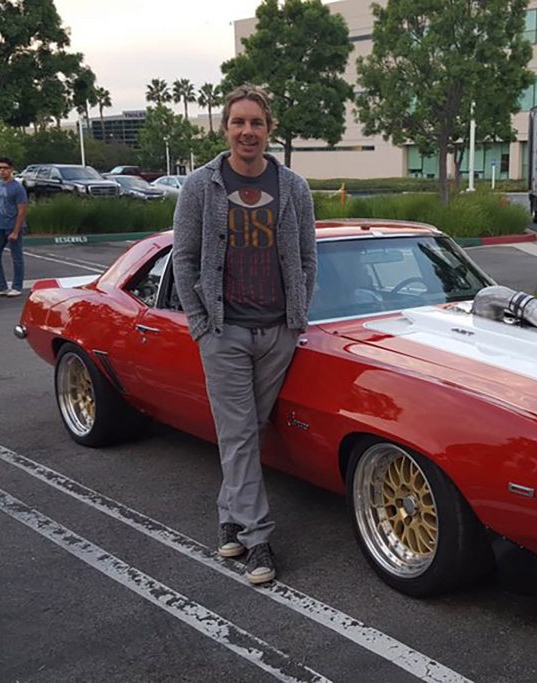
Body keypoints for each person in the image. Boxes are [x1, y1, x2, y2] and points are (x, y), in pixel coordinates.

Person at [172, 84, 317, 586]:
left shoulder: (293, 187)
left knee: (246, 434)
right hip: (224, 331)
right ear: (226, 128)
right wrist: (201, 324)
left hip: (277, 331)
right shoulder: (200, 186)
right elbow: (185, 258)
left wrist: (297, 314)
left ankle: (229, 519)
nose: (247, 131)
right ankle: (257, 541)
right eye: (238, 122)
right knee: (238, 434)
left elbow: (306, 258)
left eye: (256, 122)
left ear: (269, 129)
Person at [0, 156, 28, 296]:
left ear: (11, 170)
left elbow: (22, 210)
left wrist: (16, 230)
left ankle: (17, 286)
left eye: (5, 168)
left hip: (12, 225)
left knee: (16, 257)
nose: (2, 171)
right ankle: (1, 286)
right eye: (0, 168)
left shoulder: (17, 188)